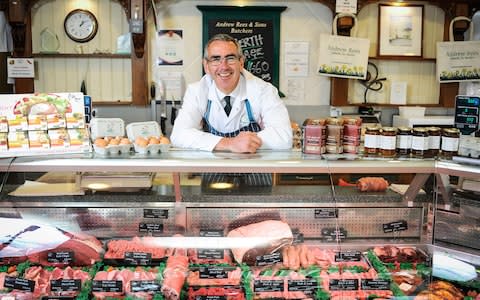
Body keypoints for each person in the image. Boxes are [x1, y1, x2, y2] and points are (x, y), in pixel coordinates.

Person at [171, 33, 292, 187]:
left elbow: (284, 137)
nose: (224, 66)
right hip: (214, 173)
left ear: (241, 63)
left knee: (258, 212)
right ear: (206, 66)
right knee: (215, 211)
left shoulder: (263, 90)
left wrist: (245, 143)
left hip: (256, 173)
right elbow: (179, 135)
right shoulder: (197, 91)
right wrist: (230, 143)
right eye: (216, 59)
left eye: (230, 58)